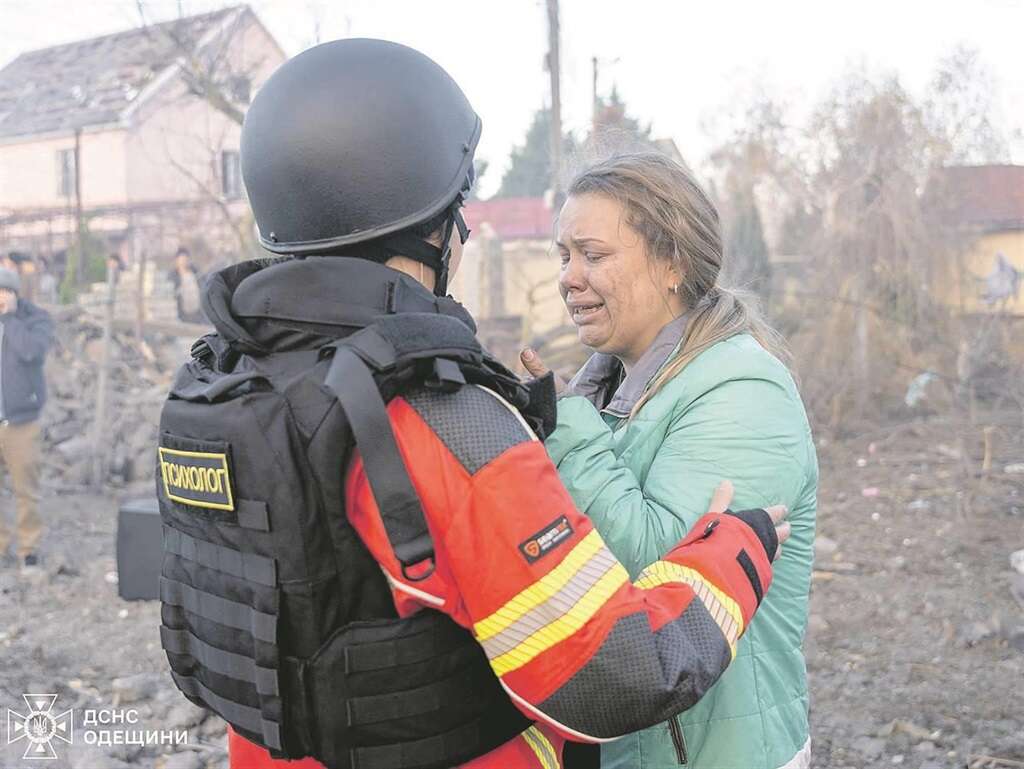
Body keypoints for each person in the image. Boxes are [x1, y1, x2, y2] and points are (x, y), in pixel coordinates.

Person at [155, 40, 790, 769]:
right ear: (436, 224)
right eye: (457, 212)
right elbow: (617, 677)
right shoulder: (441, 418)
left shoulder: (223, 388)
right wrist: (732, 549)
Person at [521, 152, 818, 769]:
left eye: (593, 254)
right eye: (563, 255)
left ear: (673, 262)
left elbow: (661, 581)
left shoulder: (743, 392)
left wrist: (565, 427)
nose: (569, 277)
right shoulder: (607, 390)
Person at [0, 267, 53, 569]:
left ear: (15, 294)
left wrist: (10, 319)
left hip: (22, 423)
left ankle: (28, 550)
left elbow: (31, 352)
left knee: (25, 490)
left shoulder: (36, 320)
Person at [169, 246, 204, 323]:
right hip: (182, 315)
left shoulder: (195, 273)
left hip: (198, 314)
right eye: (181, 259)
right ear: (176, 260)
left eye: (185, 259)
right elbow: (172, 295)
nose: (183, 262)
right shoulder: (173, 276)